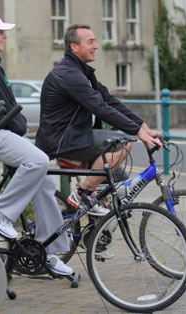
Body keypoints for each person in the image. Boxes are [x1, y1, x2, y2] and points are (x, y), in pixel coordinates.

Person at [0, 13, 73, 276]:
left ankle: (47, 252)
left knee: (44, 182)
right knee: (38, 160)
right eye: (0, 32)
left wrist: (16, 123)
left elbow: (7, 104)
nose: (5, 37)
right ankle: (0, 212)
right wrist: (4, 121)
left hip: (6, 133)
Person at [36, 24, 162, 216]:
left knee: (119, 183)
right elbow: (100, 108)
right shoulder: (69, 74)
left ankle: (96, 235)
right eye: (91, 42)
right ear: (74, 47)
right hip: (63, 140)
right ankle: (82, 194)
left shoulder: (81, 71)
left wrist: (143, 126)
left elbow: (109, 100)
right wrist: (138, 133)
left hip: (76, 137)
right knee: (123, 144)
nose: (96, 46)